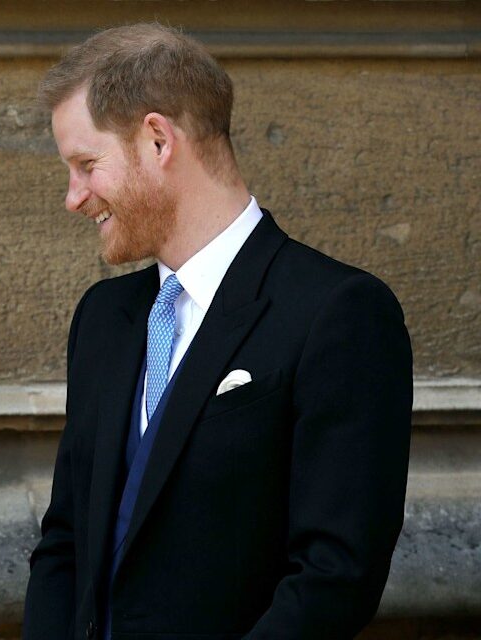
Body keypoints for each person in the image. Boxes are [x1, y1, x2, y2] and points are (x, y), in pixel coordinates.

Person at [23, 24, 412, 640]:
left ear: (157, 139)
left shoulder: (337, 314)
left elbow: (334, 576)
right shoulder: (104, 318)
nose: (74, 197)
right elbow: (66, 539)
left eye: (86, 165)